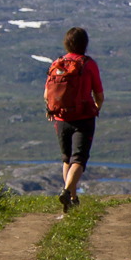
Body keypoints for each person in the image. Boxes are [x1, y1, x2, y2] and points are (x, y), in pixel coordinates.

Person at [44, 26, 104, 214]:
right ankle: (67, 192)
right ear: (85, 44)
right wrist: (96, 108)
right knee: (79, 159)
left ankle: (72, 198)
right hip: (83, 117)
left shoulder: (57, 64)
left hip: (61, 118)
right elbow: (99, 94)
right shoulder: (89, 64)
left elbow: (47, 94)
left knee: (67, 158)